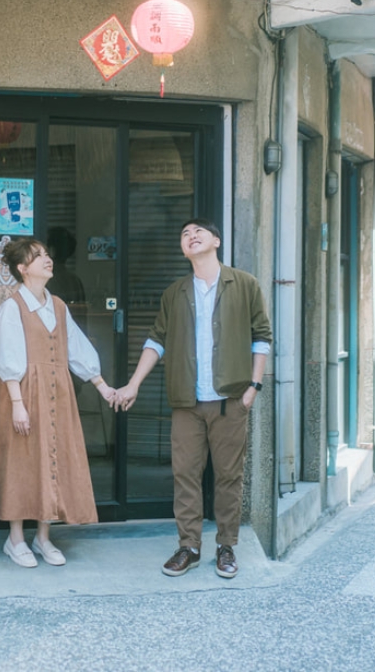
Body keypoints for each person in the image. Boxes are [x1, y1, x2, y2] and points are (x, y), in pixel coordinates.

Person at [115, 218, 271, 579]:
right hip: (187, 402)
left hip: (230, 400)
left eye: (198, 231)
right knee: (185, 475)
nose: (191, 236)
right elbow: (156, 340)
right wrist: (134, 383)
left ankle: (227, 546)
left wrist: (253, 388)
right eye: (184, 233)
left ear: (216, 240)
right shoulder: (175, 293)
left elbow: (261, 336)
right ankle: (189, 546)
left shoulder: (244, 284)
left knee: (229, 476)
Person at [0, 236, 118, 568]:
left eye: (47, 254)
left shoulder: (58, 306)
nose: (48, 259)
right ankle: (15, 539)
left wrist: (102, 386)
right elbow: (8, 358)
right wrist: (17, 403)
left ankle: (43, 537)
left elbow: (76, 349)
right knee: (22, 461)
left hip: (58, 394)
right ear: (23, 269)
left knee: (54, 460)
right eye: (39, 256)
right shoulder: (13, 306)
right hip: (24, 391)